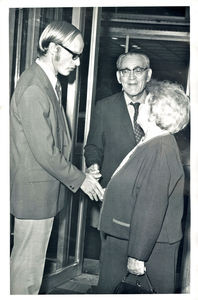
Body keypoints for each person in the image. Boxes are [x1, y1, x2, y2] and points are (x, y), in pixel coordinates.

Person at [10, 21, 104, 295]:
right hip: (34, 196)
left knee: (29, 267)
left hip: (42, 192)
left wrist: (81, 173)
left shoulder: (48, 83)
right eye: (74, 55)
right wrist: (81, 180)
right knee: (26, 273)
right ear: (53, 48)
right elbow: (46, 152)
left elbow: (54, 143)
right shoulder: (34, 88)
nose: (77, 62)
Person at [95, 80, 190, 294]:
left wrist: (138, 255)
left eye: (146, 102)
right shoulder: (152, 143)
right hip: (129, 240)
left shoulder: (159, 150)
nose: (141, 104)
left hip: (144, 248)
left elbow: (151, 207)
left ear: (156, 112)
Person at [84, 51, 152, 228]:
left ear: (148, 74)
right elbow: (93, 146)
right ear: (118, 76)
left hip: (151, 195)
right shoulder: (104, 107)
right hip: (115, 196)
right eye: (125, 71)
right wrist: (93, 165)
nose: (131, 77)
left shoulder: (160, 107)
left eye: (137, 70)